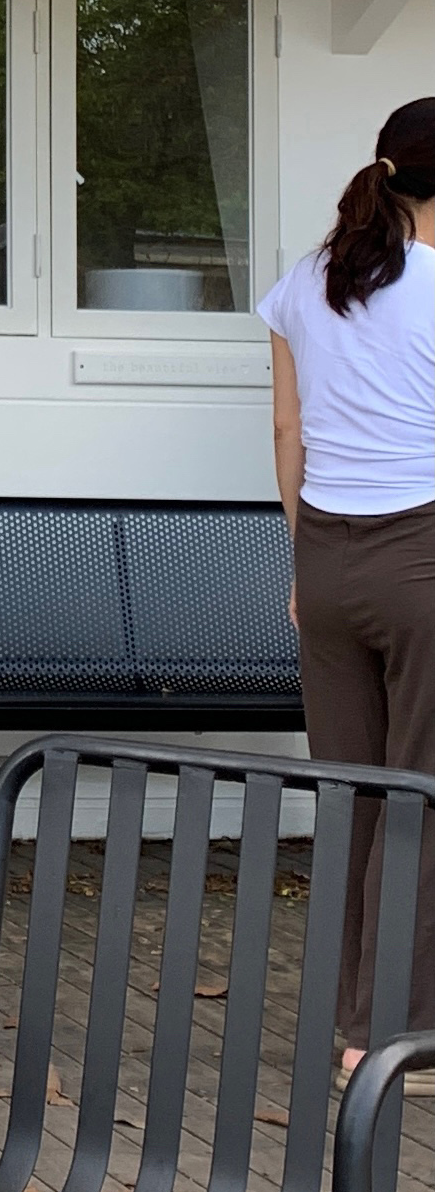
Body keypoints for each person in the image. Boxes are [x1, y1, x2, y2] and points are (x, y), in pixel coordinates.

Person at [260, 98, 435, 1066]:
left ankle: (347, 1026)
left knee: (351, 798)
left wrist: (306, 557)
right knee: (420, 800)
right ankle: (389, 1036)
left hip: (324, 558)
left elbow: (287, 431)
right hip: (422, 557)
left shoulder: (304, 283)